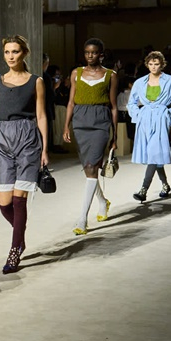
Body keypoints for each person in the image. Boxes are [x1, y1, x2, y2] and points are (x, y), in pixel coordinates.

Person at [0, 35, 49, 274]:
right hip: (2, 140)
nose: (10, 56)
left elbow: (41, 116)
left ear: (24, 53)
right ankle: (20, 237)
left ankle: (14, 250)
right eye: (7, 52)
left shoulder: (36, 81)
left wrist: (45, 148)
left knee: (19, 200)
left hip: (28, 138)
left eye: (15, 51)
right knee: (4, 203)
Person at [63, 38, 118, 235]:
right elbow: (71, 102)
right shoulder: (76, 73)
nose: (90, 56)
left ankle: (82, 219)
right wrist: (66, 125)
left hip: (100, 122)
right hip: (80, 122)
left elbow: (113, 106)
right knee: (89, 170)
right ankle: (103, 202)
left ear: (101, 54)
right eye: (87, 52)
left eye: (94, 52)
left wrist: (115, 136)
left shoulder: (110, 75)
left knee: (92, 167)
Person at [128, 52, 171, 201]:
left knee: (154, 152)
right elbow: (131, 102)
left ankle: (143, 190)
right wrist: (137, 115)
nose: (153, 67)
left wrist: (168, 115)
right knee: (154, 155)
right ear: (147, 65)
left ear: (162, 65)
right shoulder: (140, 82)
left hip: (161, 118)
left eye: (156, 64)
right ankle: (165, 185)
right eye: (151, 64)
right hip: (144, 119)